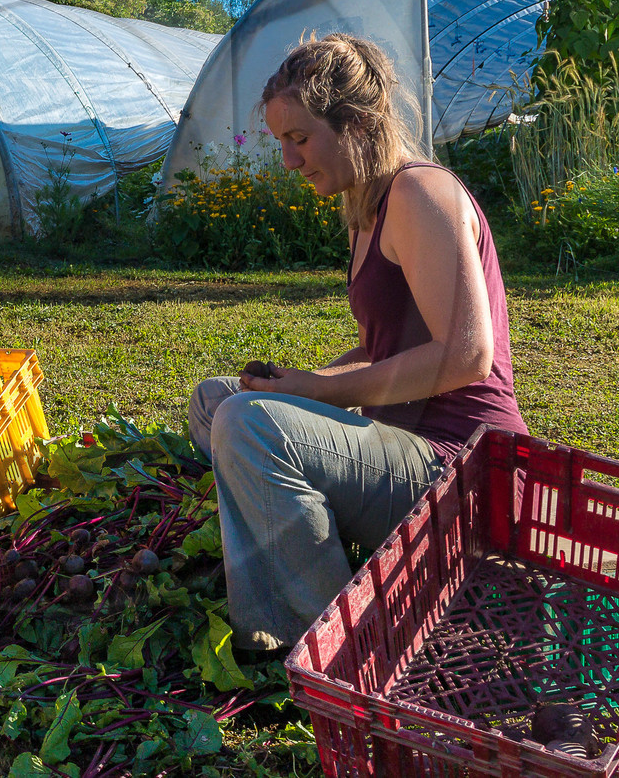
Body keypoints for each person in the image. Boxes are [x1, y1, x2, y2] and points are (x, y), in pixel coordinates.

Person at [187, 34, 527, 652]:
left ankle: (326, 648)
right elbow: (388, 344)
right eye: (280, 143)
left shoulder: (420, 194)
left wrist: (320, 393)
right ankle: (301, 542)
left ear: (358, 123)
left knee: (247, 425)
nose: (289, 161)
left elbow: (467, 353)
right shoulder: (366, 208)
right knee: (218, 400)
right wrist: (298, 386)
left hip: (464, 469)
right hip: (406, 452)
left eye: (300, 138)